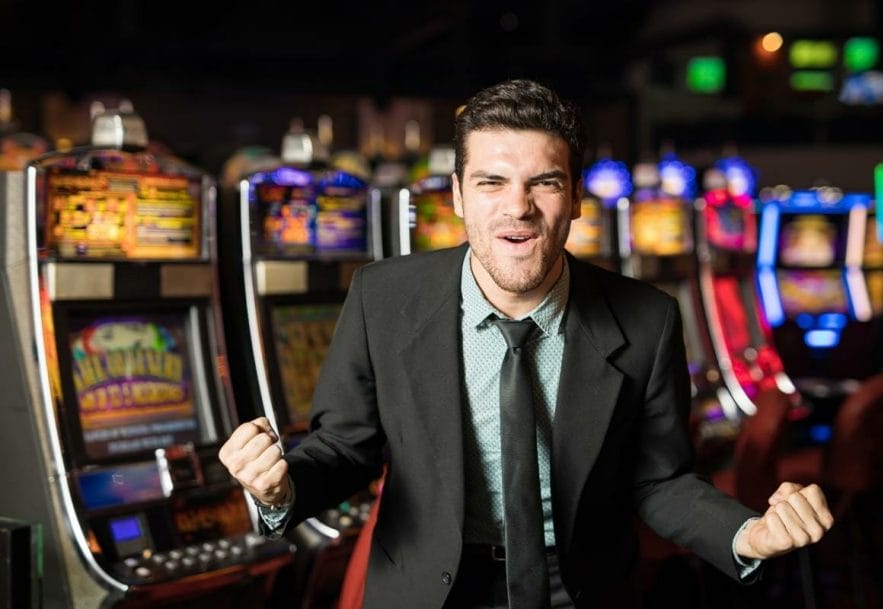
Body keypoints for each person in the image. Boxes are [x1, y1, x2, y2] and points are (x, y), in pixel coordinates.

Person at [219, 79, 833, 609]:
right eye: (492, 182)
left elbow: (660, 481)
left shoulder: (648, 319)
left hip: (579, 590)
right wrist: (281, 488)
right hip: (427, 592)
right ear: (458, 195)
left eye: (544, 183)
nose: (518, 208)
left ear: (576, 199)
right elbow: (344, 449)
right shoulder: (383, 298)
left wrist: (746, 534)